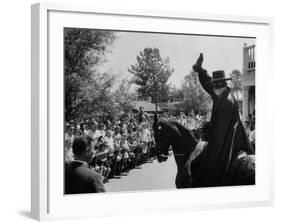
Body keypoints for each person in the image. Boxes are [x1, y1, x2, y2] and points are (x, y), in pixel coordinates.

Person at [190, 53, 253, 187]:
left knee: (209, 164)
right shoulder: (220, 93)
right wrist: (200, 70)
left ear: (223, 86)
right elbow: (208, 85)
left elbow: (220, 132)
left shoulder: (227, 102)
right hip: (223, 133)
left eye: (216, 87)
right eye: (214, 87)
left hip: (231, 138)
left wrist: (207, 130)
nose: (214, 89)